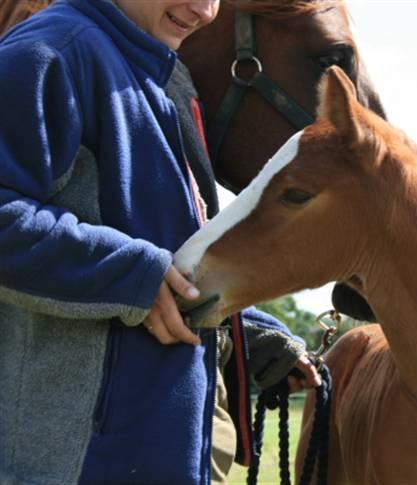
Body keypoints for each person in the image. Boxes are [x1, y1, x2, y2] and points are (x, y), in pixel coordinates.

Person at [0, 1, 319, 483]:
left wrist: (250, 330)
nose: (206, 11)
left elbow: (164, 255)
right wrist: (133, 276)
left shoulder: (162, 78)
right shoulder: (50, 51)